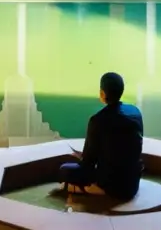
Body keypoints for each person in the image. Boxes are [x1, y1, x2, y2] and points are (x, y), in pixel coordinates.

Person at [58, 72, 144, 200]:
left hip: (110, 186)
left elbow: (87, 165)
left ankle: (87, 189)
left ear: (102, 93)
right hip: (132, 184)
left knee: (64, 170)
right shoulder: (135, 112)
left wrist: (82, 157)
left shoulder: (98, 120)